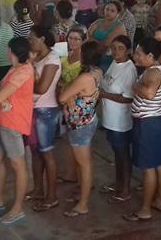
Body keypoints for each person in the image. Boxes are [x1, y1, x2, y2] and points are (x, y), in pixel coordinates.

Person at [125, 37, 161, 222]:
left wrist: (134, 85)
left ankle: (145, 209)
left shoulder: (152, 73)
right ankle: (160, 200)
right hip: (159, 119)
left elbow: (149, 93)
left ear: (150, 55)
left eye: (139, 54)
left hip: (147, 123)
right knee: (160, 163)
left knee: (149, 168)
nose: (136, 56)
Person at [57, 41, 103, 218]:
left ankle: (83, 204)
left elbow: (62, 97)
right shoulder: (97, 72)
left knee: (84, 164)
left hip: (80, 125)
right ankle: (82, 193)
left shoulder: (84, 77)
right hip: (88, 119)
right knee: (85, 162)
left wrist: (70, 90)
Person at [0, 37, 34, 226]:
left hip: (13, 124)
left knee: (18, 165)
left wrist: (0, 98)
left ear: (11, 51)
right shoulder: (17, 68)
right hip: (4, 120)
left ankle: (17, 208)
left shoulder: (22, 71)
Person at [28, 26, 62, 213]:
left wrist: (29, 71)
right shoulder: (37, 57)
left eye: (32, 38)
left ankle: (52, 196)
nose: (29, 41)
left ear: (42, 38)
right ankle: (39, 190)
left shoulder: (52, 59)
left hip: (46, 110)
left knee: (47, 153)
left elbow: (41, 88)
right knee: (35, 152)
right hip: (34, 109)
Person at [99, 35, 136, 203]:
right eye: (113, 48)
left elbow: (128, 97)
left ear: (128, 50)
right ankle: (118, 183)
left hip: (121, 119)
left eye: (120, 48)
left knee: (123, 154)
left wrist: (105, 94)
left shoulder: (129, 69)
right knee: (117, 153)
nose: (115, 51)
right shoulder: (114, 63)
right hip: (110, 117)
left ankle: (126, 188)